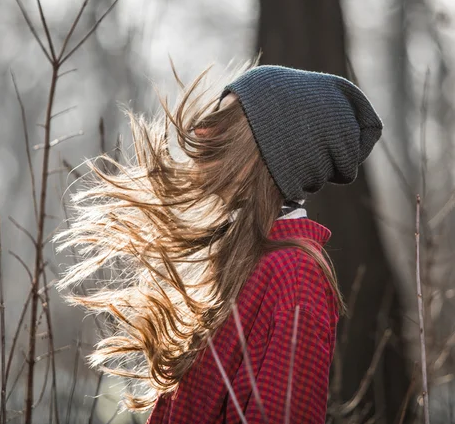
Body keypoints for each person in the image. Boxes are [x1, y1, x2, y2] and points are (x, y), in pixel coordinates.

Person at [55, 64, 382, 423]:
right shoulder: (247, 262)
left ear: (270, 154)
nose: (202, 131)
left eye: (226, 122)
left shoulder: (295, 277)